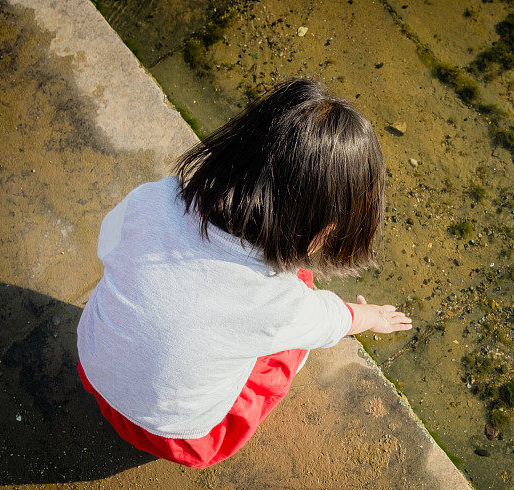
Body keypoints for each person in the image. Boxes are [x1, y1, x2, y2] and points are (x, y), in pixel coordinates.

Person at [75, 77, 411, 469]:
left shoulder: (154, 198)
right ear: (323, 230)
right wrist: (371, 317)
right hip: (181, 436)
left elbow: (109, 249)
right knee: (295, 317)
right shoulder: (277, 303)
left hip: (94, 369)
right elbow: (330, 320)